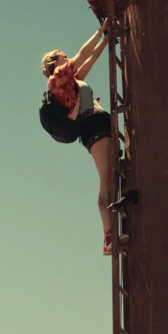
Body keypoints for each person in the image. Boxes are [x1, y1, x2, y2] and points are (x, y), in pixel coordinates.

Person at [41, 21, 116, 255]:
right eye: (64, 56)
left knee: (112, 177)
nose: (68, 58)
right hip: (94, 128)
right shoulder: (57, 78)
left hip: (98, 124)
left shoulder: (70, 83)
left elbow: (89, 60)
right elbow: (83, 54)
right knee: (106, 181)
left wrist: (107, 40)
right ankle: (108, 236)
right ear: (56, 62)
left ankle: (112, 231)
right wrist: (100, 31)